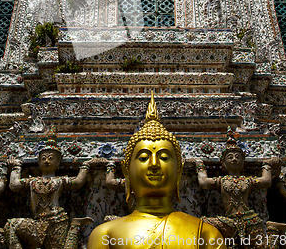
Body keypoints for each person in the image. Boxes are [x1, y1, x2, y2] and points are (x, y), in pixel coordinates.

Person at [88, 92, 226, 249]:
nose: (154, 164)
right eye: (143, 157)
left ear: (179, 171)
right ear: (126, 171)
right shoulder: (106, 234)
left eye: (164, 157)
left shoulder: (206, 234)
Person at [4, 137, 95, 249]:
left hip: (57, 221)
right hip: (37, 223)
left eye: (51, 158)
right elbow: (14, 185)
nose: (47, 161)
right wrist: (16, 167)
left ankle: (74, 227)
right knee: (11, 225)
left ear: (58, 162)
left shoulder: (59, 181)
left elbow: (77, 182)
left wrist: (86, 165)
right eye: (43, 158)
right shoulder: (32, 181)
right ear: (38, 161)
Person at [196, 130, 278, 248]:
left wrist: (267, 165)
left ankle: (273, 230)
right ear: (223, 163)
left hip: (250, 220)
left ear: (243, 162)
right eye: (230, 157)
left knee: (264, 246)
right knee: (202, 224)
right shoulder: (222, 181)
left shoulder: (247, 180)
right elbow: (204, 182)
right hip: (229, 221)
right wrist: (199, 165)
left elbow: (266, 181)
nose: (234, 159)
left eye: (237, 157)